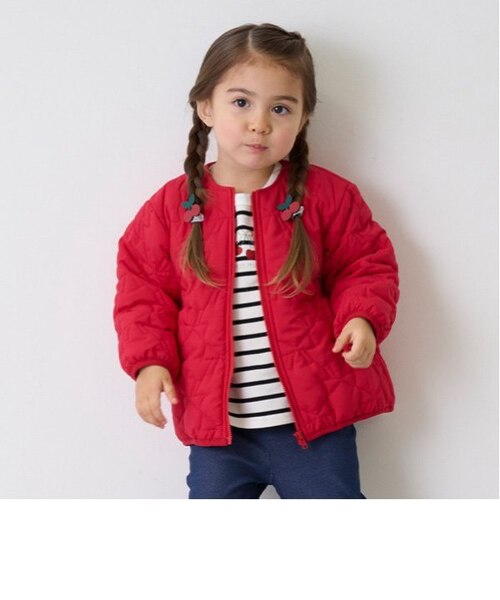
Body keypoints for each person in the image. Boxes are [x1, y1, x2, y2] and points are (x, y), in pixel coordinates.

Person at [113, 23, 400, 499]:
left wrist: (362, 317)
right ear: (206, 106)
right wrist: (150, 363)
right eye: (241, 102)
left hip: (316, 428)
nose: (259, 123)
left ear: (303, 118)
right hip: (220, 435)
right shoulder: (170, 209)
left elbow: (365, 263)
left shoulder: (327, 196)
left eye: (280, 108)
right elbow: (143, 292)